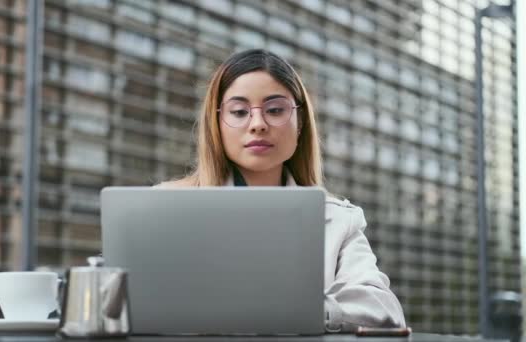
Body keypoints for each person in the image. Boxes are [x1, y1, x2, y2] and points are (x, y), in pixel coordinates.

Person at [157, 49, 406, 332]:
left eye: (275, 110)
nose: (258, 124)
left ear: (300, 124)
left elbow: (382, 309)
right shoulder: (165, 206)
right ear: (217, 125)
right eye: (239, 112)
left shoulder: (338, 219)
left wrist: (298, 311)